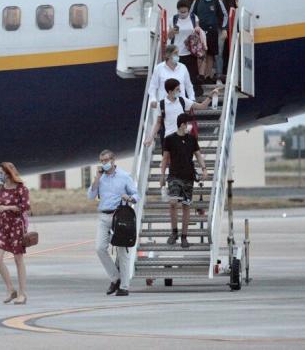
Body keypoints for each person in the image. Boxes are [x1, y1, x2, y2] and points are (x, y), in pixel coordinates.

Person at [144, 79, 219, 188]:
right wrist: (150, 138)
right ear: (170, 91)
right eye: (177, 89)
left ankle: (187, 179)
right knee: (168, 161)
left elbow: (202, 106)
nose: (179, 91)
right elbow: (158, 123)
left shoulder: (182, 100)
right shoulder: (162, 104)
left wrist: (210, 96)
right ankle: (169, 182)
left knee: (185, 159)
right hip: (169, 138)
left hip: (183, 136)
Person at [87, 149, 139, 297]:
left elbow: (136, 194)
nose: (104, 163)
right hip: (104, 216)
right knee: (99, 248)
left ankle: (124, 286)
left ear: (113, 160)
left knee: (123, 252)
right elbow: (90, 196)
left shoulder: (124, 176)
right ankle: (115, 277)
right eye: (102, 161)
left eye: (106, 160)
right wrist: (96, 178)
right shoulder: (100, 178)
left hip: (119, 216)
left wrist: (130, 198)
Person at [0, 163, 30, 305]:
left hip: (16, 226)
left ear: (9, 173)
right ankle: (11, 289)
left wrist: (7, 207)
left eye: (1, 172)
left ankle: (22, 293)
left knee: (18, 259)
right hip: (3, 227)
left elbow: (25, 206)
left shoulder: (21, 188)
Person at [163, 114, 208, 248]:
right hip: (174, 176)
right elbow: (165, 158)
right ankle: (174, 232)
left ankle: (184, 236)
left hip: (188, 176)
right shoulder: (169, 139)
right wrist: (161, 175)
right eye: (187, 123)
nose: (189, 126)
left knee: (186, 206)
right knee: (172, 202)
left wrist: (204, 169)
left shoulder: (192, 139)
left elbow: (198, 155)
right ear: (182, 124)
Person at [190, 0, 228, 83]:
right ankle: (200, 75)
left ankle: (207, 76)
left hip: (212, 31)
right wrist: (194, 27)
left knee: (211, 54)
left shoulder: (217, 1)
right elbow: (191, 15)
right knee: (200, 53)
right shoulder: (197, 1)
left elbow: (224, 15)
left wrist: (224, 28)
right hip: (199, 31)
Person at [168, 0, 203, 95]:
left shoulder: (193, 17)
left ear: (188, 10)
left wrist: (197, 29)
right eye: (181, 12)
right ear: (177, 10)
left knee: (192, 73)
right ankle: (177, 93)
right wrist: (172, 31)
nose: (183, 14)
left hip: (190, 51)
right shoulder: (173, 19)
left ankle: (193, 93)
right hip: (176, 52)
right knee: (176, 74)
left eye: (185, 12)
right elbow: (169, 37)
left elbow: (198, 30)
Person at [148, 44, 196, 110]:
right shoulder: (158, 68)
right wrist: (153, 99)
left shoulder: (183, 67)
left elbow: (188, 85)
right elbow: (153, 87)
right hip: (164, 106)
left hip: (180, 105)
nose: (178, 55)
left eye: (178, 53)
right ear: (168, 55)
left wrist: (192, 99)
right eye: (175, 53)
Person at [209, 0, 236, 79]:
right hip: (210, 27)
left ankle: (219, 75)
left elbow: (230, 12)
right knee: (211, 52)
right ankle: (210, 74)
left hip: (222, 28)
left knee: (219, 52)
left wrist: (225, 28)